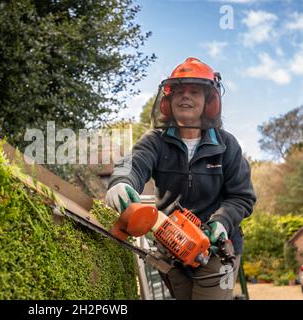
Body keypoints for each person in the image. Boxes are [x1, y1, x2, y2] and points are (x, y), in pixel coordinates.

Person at [105, 57, 256, 300]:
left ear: (210, 101)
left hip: (216, 249)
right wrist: (121, 182)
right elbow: (132, 164)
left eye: (194, 91)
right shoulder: (155, 140)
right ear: (168, 101)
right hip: (170, 248)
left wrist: (221, 222)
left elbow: (242, 196)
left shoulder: (227, 145)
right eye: (178, 91)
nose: (185, 96)